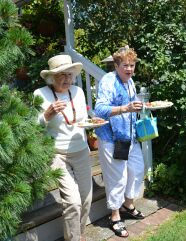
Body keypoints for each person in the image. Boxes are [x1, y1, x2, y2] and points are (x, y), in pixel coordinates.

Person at [34, 54, 92, 241]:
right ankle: (73, 239)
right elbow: (33, 126)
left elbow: (83, 120)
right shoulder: (40, 94)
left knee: (86, 198)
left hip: (81, 150)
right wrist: (47, 115)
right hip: (57, 154)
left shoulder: (78, 92)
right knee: (73, 202)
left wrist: (92, 125)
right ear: (52, 77)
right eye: (62, 75)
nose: (67, 79)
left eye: (70, 74)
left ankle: (79, 234)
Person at [95, 46, 145, 238]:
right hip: (112, 138)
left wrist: (140, 106)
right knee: (117, 178)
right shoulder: (109, 81)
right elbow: (99, 109)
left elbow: (132, 106)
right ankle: (115, 216)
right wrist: (125, 108)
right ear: (116, 65)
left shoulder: (130, 81)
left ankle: (127, 204)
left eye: (132, 65)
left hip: (129, 136)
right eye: (125, 65)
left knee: (137, 170)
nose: (130, 69)